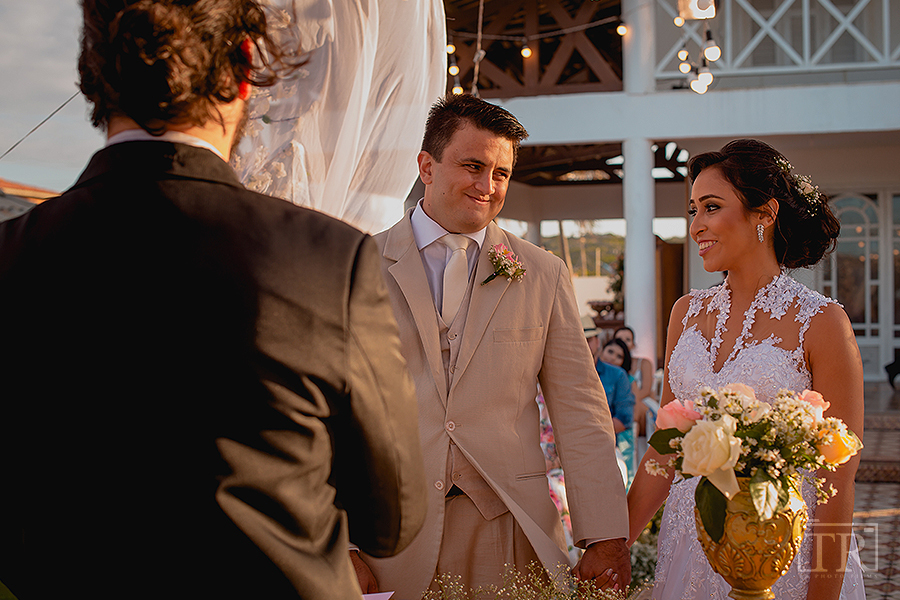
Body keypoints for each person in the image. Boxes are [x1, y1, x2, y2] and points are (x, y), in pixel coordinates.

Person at [0, 1, 426, 599]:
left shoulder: (11, 255)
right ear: (245, 66)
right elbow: (390, 519)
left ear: (93, 71)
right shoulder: (328, 258)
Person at [355, 93, 630, 598]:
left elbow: (580, 411)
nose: (488, 186)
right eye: (473, 166)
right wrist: (341, 544)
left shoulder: (543, 273)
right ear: (427, 166)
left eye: (501, 173)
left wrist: (607, 535)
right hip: (387, 542)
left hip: (509, 534)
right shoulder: (357, 267)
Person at [626, 139, 865, 600]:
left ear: (765, 214)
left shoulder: (822, 323)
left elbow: (837, 483)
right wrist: (615, 545)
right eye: (693, 210)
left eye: (712, 207)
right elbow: (665, 451)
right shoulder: (685, 313)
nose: (696, 225)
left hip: (781, 553)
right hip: (690, 548)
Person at [596, 338, 636, 482]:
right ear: (601, 349)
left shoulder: (620, 376)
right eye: (610, 351)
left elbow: (626, 418)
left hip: (612, 440)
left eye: (619, 356)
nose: (612, 358)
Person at [614, 326, 656, 436]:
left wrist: (627, 402)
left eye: (628, 339)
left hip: (641, 401)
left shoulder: (644, 363)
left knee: (634, 408)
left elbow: (646, 390)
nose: (624, 342)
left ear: (633, 344)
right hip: (617, 404)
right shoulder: (612, 365)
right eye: (620, 339)